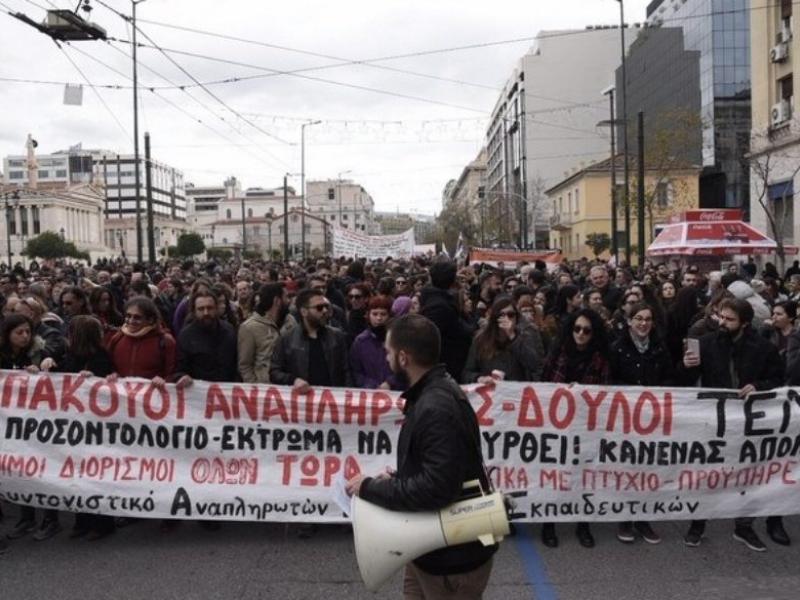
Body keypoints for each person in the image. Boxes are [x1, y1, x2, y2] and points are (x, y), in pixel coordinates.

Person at [345, 314, 497, 599]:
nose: (386, 359)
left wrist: (370, 487)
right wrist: (401, 477)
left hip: (451, 561)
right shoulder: (433, 392)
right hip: (430, 550)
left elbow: (438, 488)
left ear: (404, 358)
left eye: (389, 352)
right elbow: (440, 468)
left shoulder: (435, 406)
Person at [680, 298, 784, 552]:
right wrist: (687, 366)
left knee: (747, 475)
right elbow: (684, 381)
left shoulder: (763, 348)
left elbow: (777, 380)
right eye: (721, 317)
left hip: (749, 422)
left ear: (745, 323)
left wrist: (759, 386)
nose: (722, 323)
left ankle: (744, 526)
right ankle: (698, 524)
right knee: (707, 473)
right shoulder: (706, 344)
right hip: (714, 420)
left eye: (730, 320)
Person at [541, 308, 610, 549]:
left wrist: (582, 392)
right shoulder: (557, 352)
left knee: (585, 476)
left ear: (594, 334)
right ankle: (548, 524)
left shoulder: (601, 358)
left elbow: (605, 390)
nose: (581, 334)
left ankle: (583, 524)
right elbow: (544, 382)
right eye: (577, 328)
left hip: (587, 426)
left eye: (587, 330)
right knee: (554, 475)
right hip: (557, 424)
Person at [609, 303, 674, 546]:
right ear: (629, 322)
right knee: (627, 470)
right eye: (638, 318)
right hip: (625, 420)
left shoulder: (660, 349)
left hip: (651, 420)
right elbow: (609, 381)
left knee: (648, 470)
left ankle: (643, 518)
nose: (643, 323)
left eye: (647, 319)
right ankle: (625, 518)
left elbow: (670, 378)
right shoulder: (617, 348)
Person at [1, 314, 60, 541]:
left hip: (40, 425)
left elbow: (59, 381)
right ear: (7, 335)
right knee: (20, 471)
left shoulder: (41, 352)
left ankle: (50, 519)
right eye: (19, 332)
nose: (25, 336)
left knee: (43, 471)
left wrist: (46, 366)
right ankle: (26, 518)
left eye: (27, 331)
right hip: (12, 426)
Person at [59, 315, 116, 541]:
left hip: (95, 427)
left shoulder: (101, 357)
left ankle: (103, 523)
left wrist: (94, 379)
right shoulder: (71, 356)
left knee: (96, 474)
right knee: (77, 475)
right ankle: (81, 520)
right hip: (75, 426)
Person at [462, 297, 543, 384]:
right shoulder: (481, 339)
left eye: (510, 315)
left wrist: (512, 336)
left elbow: (535, 366)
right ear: (495, 318)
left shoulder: (525, 337)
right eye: (501, 315)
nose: (506, 319)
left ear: (516, 317)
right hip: (491, 393)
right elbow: (467, 373)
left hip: (516, 393)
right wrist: (479, 378)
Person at [420, 260, 475, 380]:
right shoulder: (439, 306)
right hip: (446, 365)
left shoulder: (438, 300)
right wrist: (471, 322)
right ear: (451, 279)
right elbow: (459, 330)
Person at [174, 289, 239, 386]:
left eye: (210, 308)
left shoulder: (229, 331)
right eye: (201, 309)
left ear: (216, 309)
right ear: (194, 311)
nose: (206, 313)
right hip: (199, 396)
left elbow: (236, 364)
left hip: (226, 393)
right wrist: (182, 377)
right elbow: (179, 368)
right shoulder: (186, 336)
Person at [349, 295, 403, 390]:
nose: (379, 318)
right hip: (369, 394)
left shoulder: (398, 339)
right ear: (368, 315)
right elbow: (355, 371)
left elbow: (405, 367)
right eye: (375, 314)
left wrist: (390, 382)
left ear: (389, 315)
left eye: (383, 314)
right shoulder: (360, 341)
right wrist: (372, 385)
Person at [237, 283, 288, 383]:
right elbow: (245, 365)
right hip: (265, 390)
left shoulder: (290, 322)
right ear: (277, 301)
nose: (288, 301)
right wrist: (256, 388)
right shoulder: (249, 327)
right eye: (286, 297)